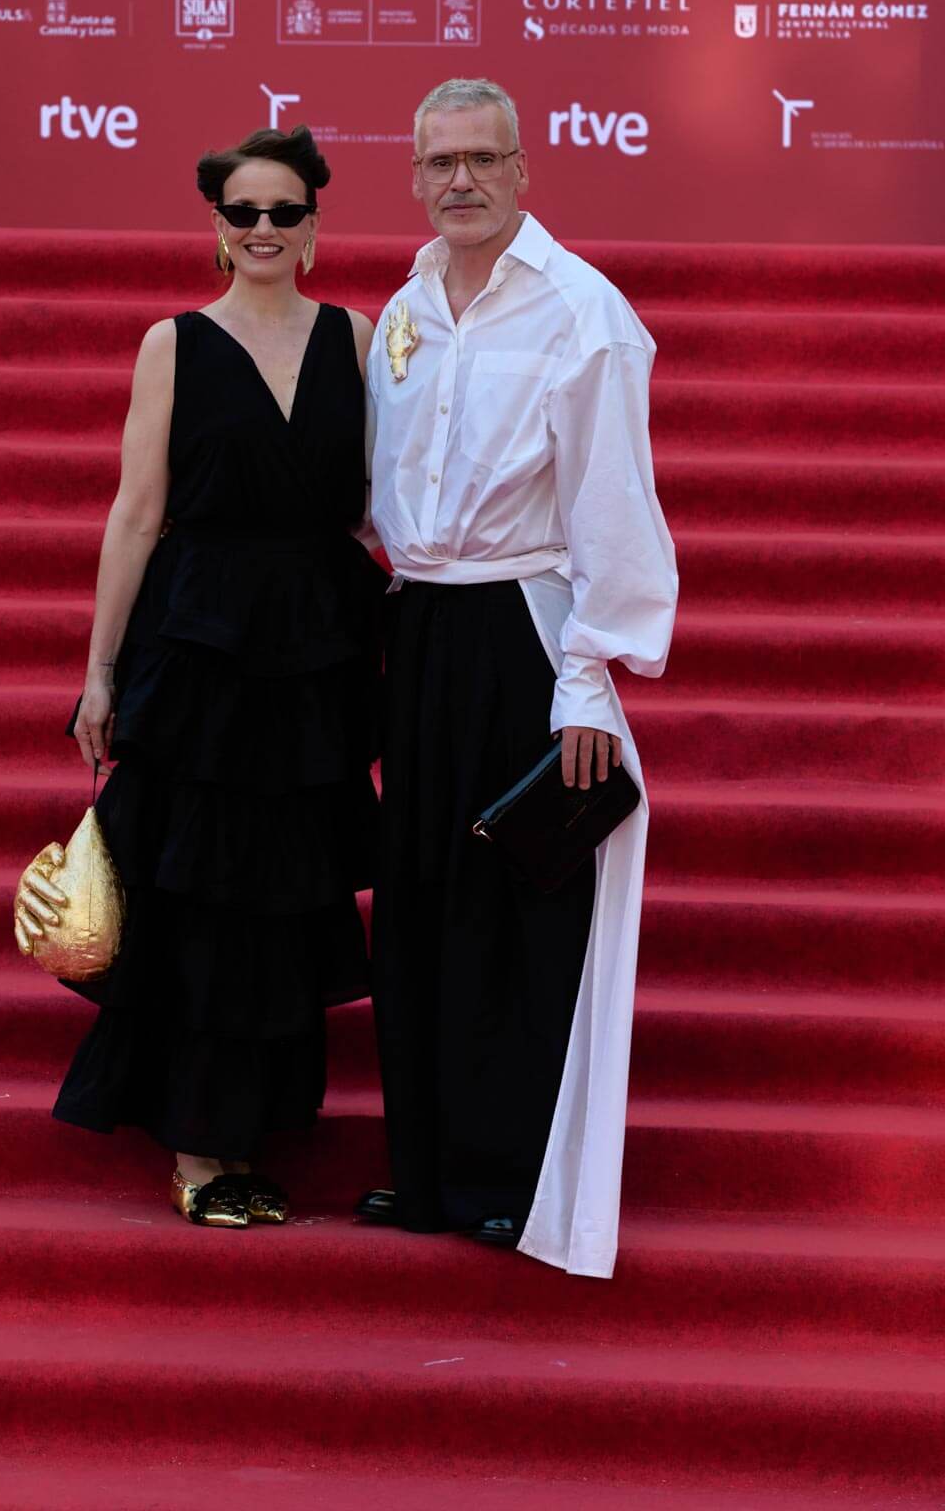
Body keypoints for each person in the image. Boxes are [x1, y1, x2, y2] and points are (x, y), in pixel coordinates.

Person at [13, 126, 385, 1228]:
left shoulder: (358, 337)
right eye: (243, 212)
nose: (263, 229)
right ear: (216, 227)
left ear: (313, 225)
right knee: (201, 899)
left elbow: (386, 501)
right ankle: (196, 1145)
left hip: (314, 649)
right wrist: (99, 672)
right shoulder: (172, 344)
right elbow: (136, 513)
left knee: (283, 897)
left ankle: (250, 1131)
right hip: (202, 648)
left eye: (284, 211)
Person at [358, 77, 678, 1277]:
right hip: (419, 631)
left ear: (523, 170)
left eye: (483, 160)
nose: (462, 182)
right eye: (441, 162)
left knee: (519, 906)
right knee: (419, 900)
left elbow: (612, 498)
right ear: (414, 176)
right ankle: (429, 1169)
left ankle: (512, 1179)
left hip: (526, 632)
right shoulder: (405, 309)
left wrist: (588, 675)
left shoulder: (581, 310)